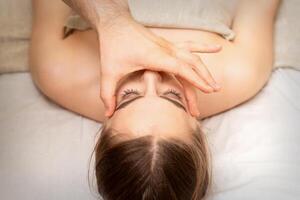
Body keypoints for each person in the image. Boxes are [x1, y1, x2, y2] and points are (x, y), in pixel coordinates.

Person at [29, 0, 281, 199]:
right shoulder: (241, 71)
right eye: (174, 96)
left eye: (128, 96)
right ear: (198, 127)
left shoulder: (58, 70)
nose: (151, 74)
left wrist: (111, 21)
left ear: (104, 129)